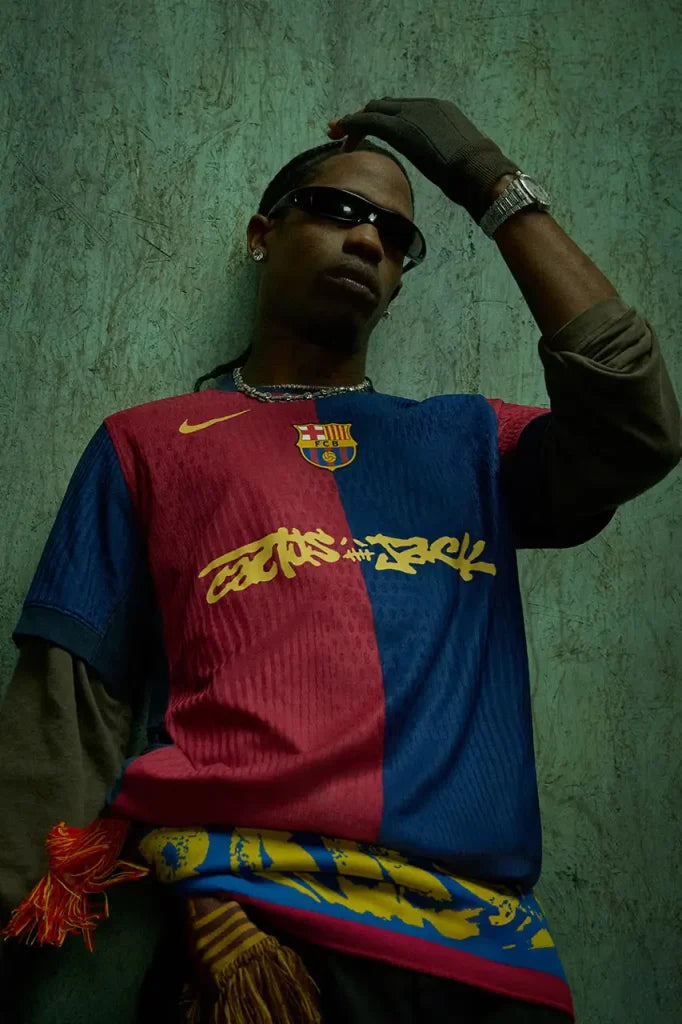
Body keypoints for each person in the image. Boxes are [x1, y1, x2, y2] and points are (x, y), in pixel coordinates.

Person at [0, 97, 679, 1024]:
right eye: (337, 210)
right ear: (261, 235)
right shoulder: (147, 444)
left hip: (484, 961)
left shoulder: (472, 443)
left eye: (397, 235)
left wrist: (488, 182)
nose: (368, 239)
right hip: (251, 954)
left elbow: (639, 427)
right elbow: (63, 717)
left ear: (398, 281)